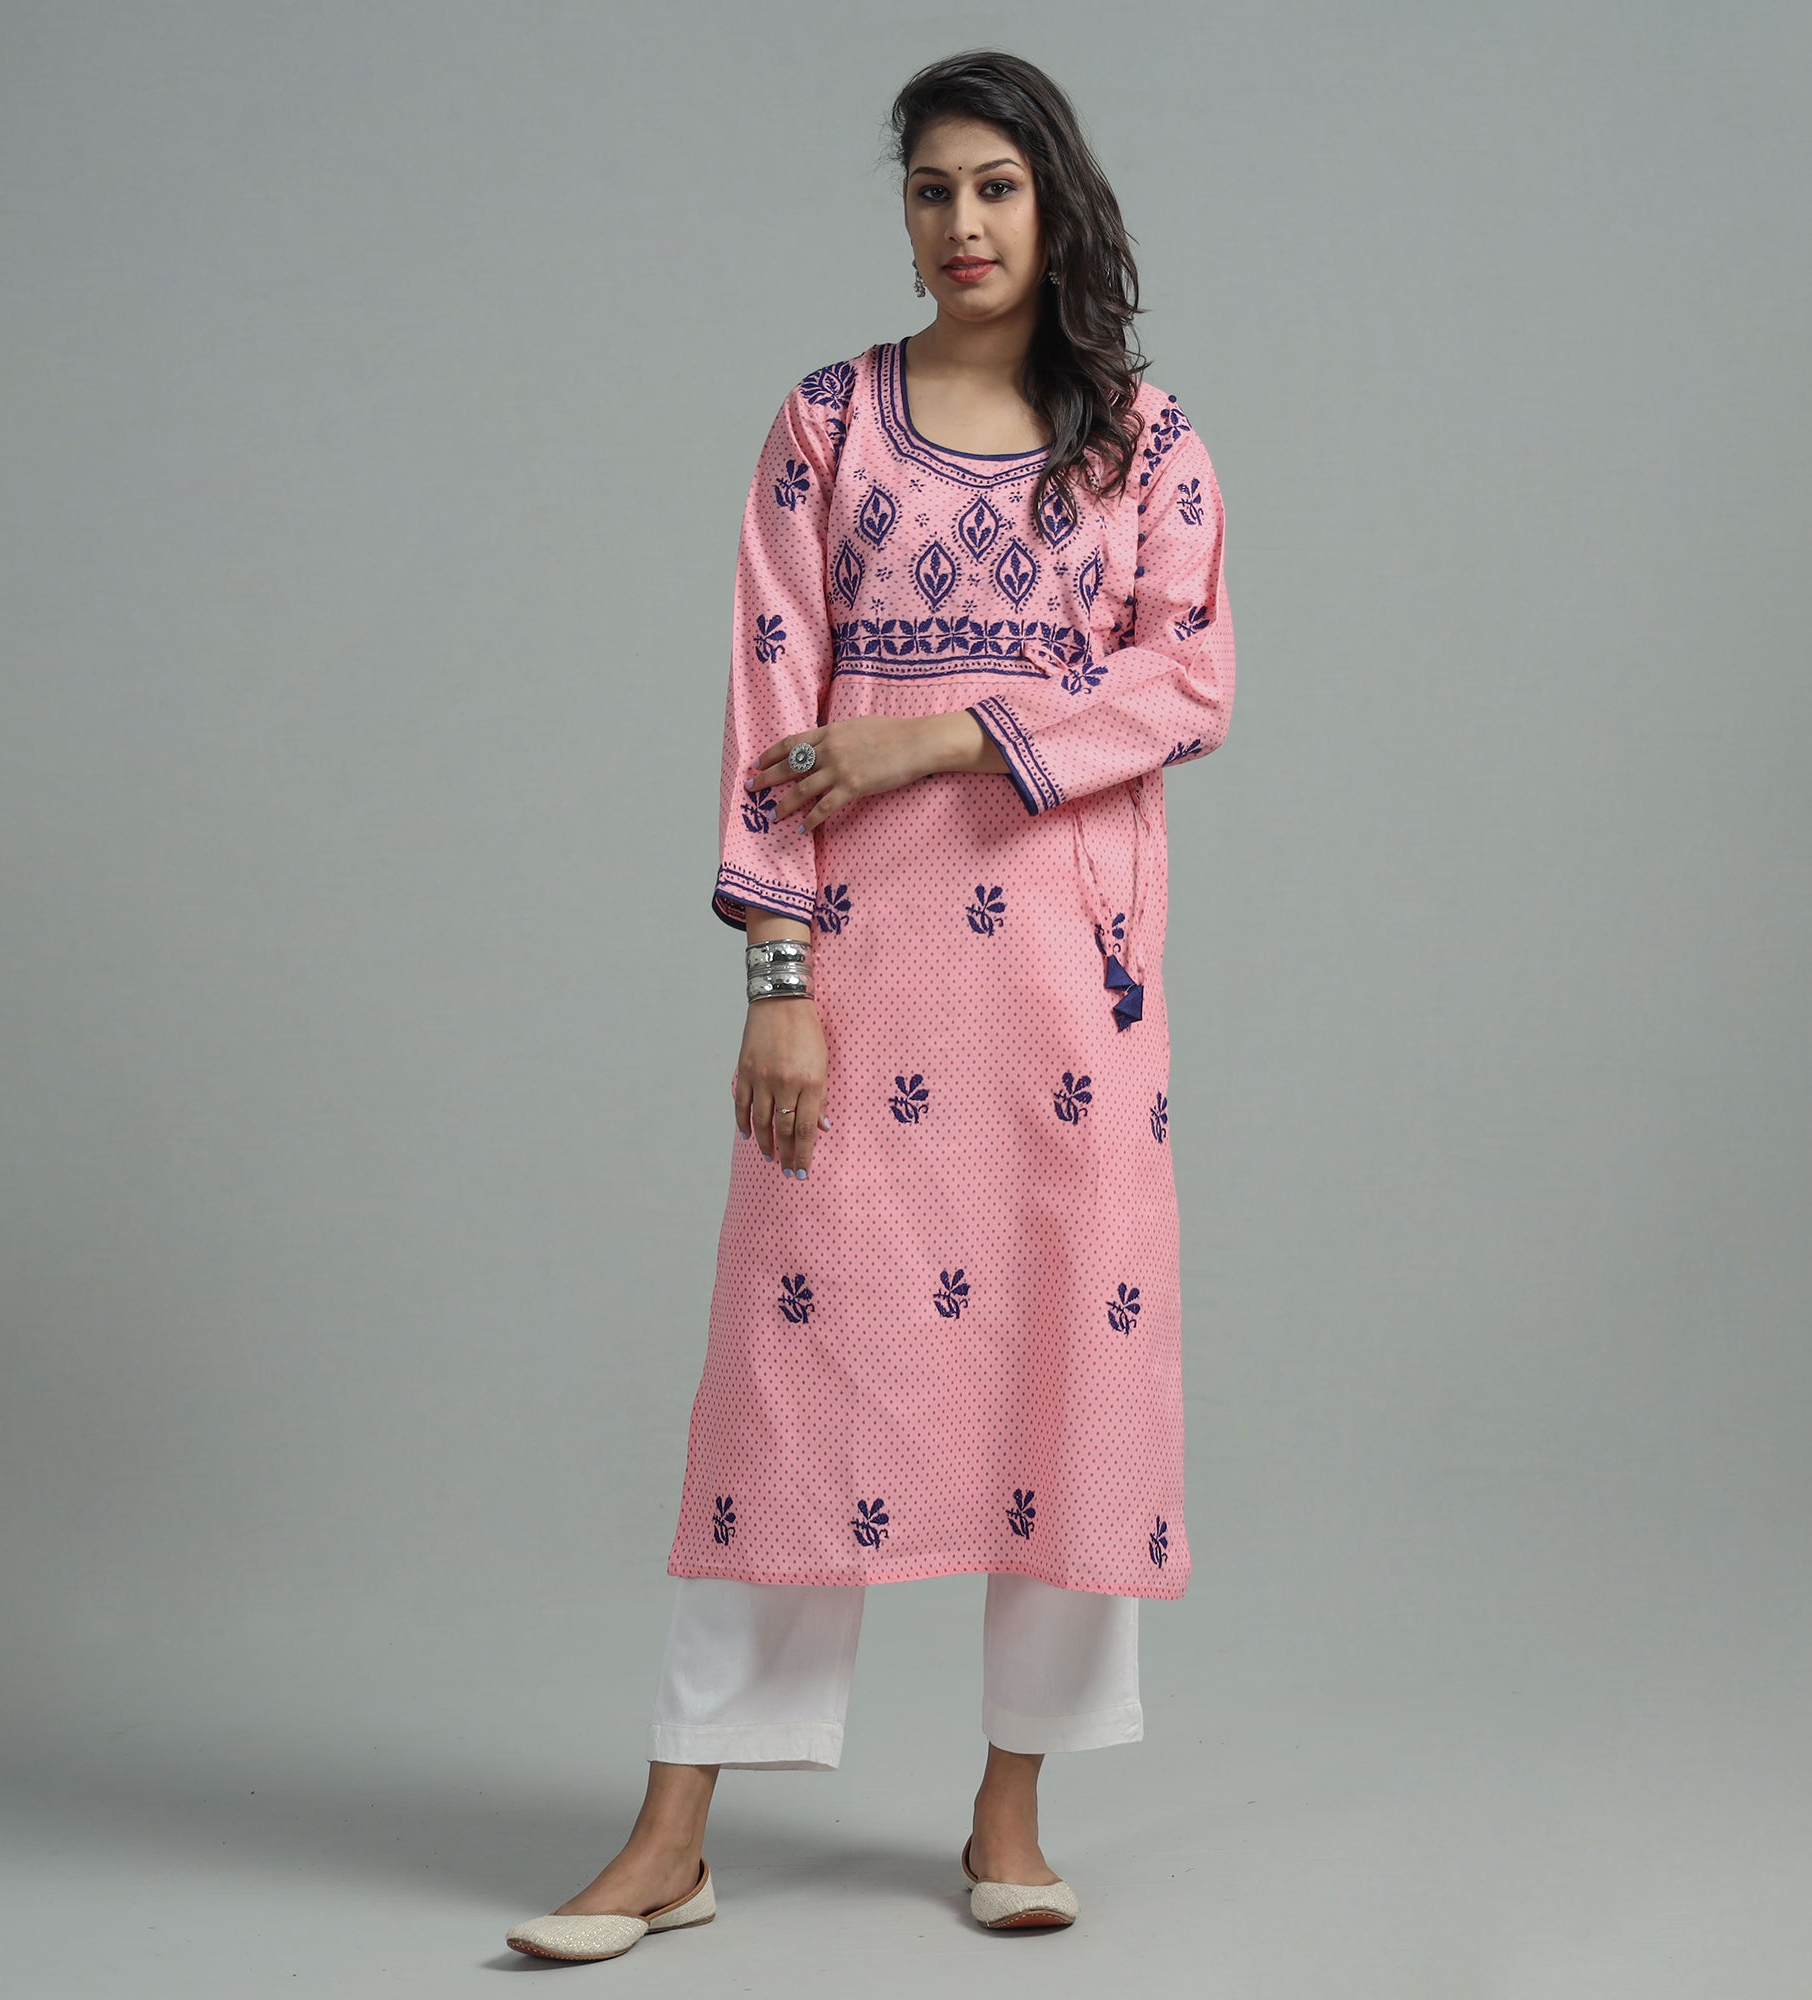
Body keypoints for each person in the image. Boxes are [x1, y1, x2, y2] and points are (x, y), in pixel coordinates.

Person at [505, 47, 1236, 1962]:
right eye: (931, 191)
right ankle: (673, 1836)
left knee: (1072, 1363)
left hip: (1069, 990)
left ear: (1054, 204)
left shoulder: (1143, 441)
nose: (963, 224)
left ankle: (1012, 1808)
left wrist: (934, 734)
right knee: (788, 1373)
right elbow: (771, 707)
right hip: (864, 972)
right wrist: (778, 982)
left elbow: (1189, 683)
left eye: (996, 187)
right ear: (902, 216)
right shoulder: (825, 425)